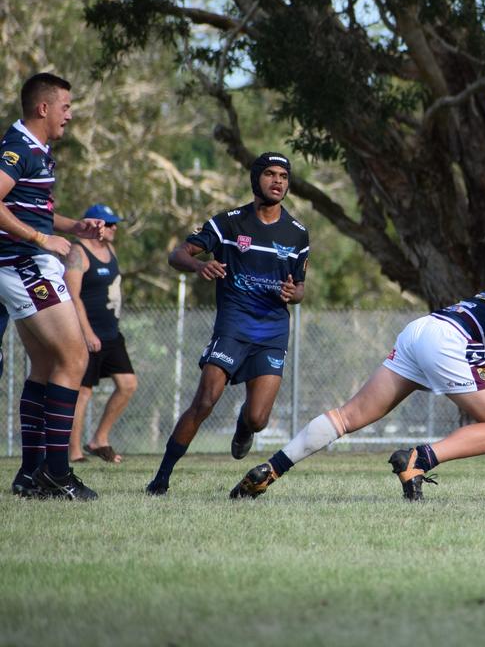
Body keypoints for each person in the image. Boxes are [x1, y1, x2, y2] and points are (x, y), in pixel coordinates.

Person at [229, 279, 485, 501]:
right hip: (452, 341)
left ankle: (269, 470)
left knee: (348, 416)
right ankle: (419, 459)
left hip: (425, 329)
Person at [146, 152, 309, 496]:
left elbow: (300, 289)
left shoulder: (297, 233)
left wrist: (294, 293)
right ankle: (161, 477)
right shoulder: (228, 223)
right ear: (256, 180)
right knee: (205, 400)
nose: (278, 181)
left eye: (283, 175)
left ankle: (244, 427)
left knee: (259, 419)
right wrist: (198, 266)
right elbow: (178, 254)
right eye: (270, 174)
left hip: (272, 331)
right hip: (233, 325)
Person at [3, 73, 106, 500]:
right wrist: (42, 240)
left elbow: (33, 210)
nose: (70, 113)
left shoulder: (39, 151)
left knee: (47, 367)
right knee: (75, 356)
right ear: (43, 108)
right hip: (25, 265)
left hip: (27, 263)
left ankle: (30, 473)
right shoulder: (17, 148)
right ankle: (58, 473)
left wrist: (72, 226)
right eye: (65, 105)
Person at [65, 204, 136, 464]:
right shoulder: (77, 252)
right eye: (108, 223)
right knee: (83, 393)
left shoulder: (110, 249)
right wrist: (86, 333)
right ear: (92, 224)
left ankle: (98, 440)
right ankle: (74, 452)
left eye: (114, 223)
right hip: (87, 334)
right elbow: (72, 295)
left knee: (128, 384)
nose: (114, 227)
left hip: (112, 334)